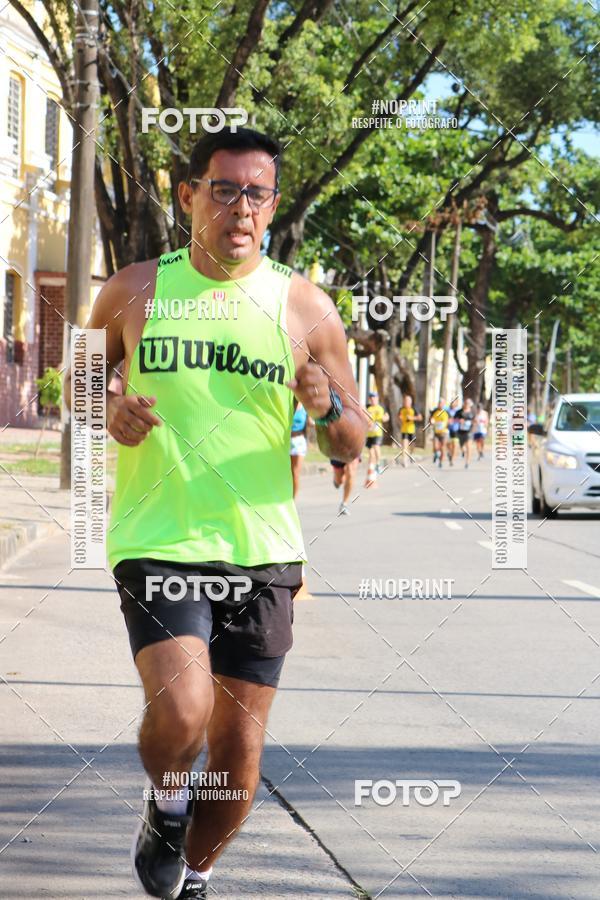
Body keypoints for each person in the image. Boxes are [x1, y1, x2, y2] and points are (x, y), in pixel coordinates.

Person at [64, 126, 367, 900]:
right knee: (185, 709)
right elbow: (76, 384)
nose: (241, 209)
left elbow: (354, 435)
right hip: (159, 537)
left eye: (257, 193)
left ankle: (192, 876)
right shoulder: (134, 287)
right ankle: (165, 805)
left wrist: (329, 403)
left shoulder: (304, 305)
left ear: (272, 204)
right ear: (188, 194)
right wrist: (108, 407)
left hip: (263, 548)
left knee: (237, 761)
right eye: (224, 189)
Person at [365, 390, 388, 475]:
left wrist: (385, 418)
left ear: (377, 398)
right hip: (369, 433)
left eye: (374, 398)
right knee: (371, 451)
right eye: (371, 398)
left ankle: (378, 464)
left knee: (376, 447)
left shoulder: (380, 408)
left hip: (377, 433)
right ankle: (372, 467)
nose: (373, 399)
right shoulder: (367, 408)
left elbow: (385, 417)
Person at [397, 394, 422, 467]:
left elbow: (420, 418)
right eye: (405, 401)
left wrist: (412, 418)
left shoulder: (414, 409)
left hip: (412, 430)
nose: (406, 402)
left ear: (410, 402)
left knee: (412, 446)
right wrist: (399, 419)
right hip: (404, 430)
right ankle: (404, 460)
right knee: (404, 445)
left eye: (408, 401)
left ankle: (410, 455)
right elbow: (398, 417)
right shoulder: (401, 409)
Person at [290, 400, 308, 497]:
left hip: (299, 441)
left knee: (295, 472)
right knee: (286, 471)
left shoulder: (305, 406)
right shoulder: (288, 405)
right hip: (285, 441)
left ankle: (293, 500)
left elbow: (311, 422)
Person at [456, 397, 475, 468]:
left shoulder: (472, 412)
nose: (467, 405)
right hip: (461, 431)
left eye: (468, 403)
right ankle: (463, 451)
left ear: (470, 405)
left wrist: (473, 423)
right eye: (466, 403)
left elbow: (475, 420)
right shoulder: (459, 412)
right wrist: (459, 421)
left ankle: (467, 462)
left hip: (469, 431)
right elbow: (453, 420)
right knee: (461, 446)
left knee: (469, 447)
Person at [430, 398, 450, 468]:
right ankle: (436, 454)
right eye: (439, 403)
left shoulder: (447, 412)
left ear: (444, 404)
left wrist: (448, 424)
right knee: (435, 446)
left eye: (442, 403)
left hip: (444, 433)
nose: (440, 405)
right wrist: (432, 422)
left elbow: (450, 420)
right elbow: (431, 420)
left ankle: (441, 462)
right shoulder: (434, 411)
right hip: (436, 432)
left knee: (442, 447)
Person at [447, 398, 461, 467]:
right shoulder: (447, 410)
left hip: (456, 430)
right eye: (452, 402)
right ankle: (449, 453)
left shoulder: (458, 410)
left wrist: (455, 420)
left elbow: (461, 419)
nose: (453, 403)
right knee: (449, 445)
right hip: (448, 430)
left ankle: (452, 460)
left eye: (454, 402)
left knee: (455, 445)